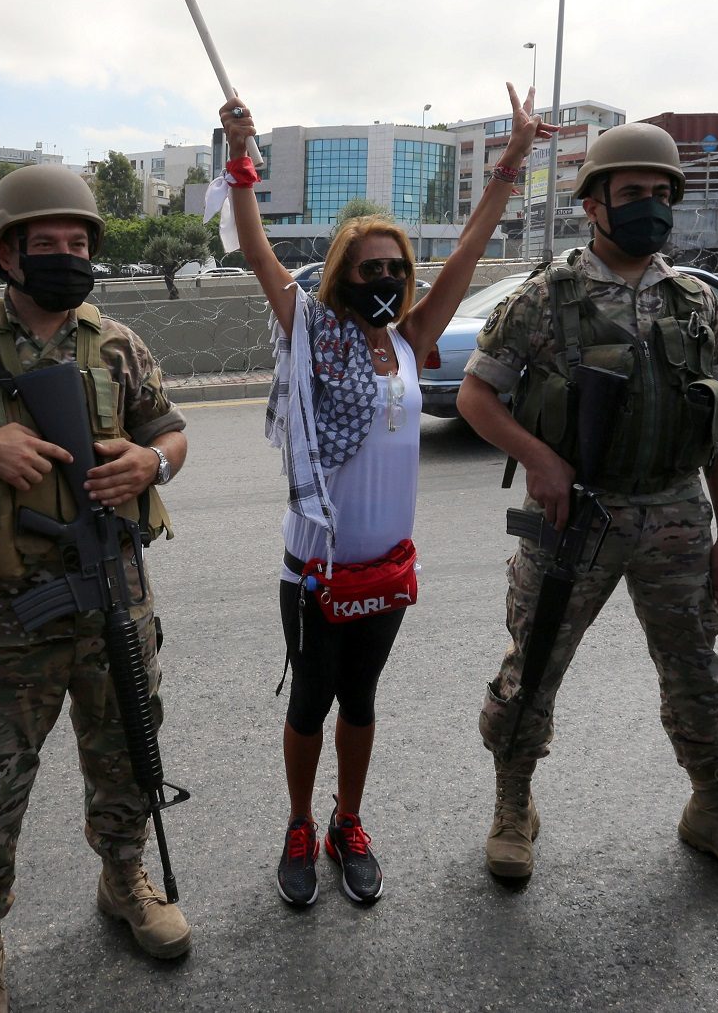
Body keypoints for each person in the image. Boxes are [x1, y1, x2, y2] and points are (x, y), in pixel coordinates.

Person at [217, 84, 555, 909]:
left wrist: (510, 160)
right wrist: (239, 158)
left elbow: (471, 249)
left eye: (396, 268)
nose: (386, 278)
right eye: (370, 268)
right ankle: (299, 822)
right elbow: (259, 253)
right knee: (310, 699)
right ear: (343, 274)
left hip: (387, 569)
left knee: (361, 702)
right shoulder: (311, 330)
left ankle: (347, 820)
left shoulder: (410, 341)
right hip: (316, 569)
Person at [0, 165, 190, 1012]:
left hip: (116, 595)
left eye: (79, 242)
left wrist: (150, 460)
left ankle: (124, 878)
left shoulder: (117, 343)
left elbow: (170, 428)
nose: (67, 255)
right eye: (46, 243)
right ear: (7, 252)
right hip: (5, 617)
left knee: (127, 751)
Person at [461, 122, 718, 892]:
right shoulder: (545, 297)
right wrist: (539, 457)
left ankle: (716, 808)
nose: (650, 207)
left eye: (661, 194)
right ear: (595, 204)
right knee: (533, 666)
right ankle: (513, 805)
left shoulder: (697, 300)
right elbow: (478, 394)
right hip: (576, 515)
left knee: (697, 673)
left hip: (675, 513)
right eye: (633, 193)